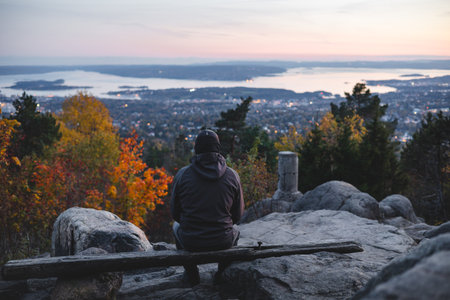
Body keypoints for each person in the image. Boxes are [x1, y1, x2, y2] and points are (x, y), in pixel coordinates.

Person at [170, 129, 244, 286]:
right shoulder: (232, 175)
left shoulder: (183, 175)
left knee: (175, 226)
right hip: (223, 240)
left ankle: (191, 274)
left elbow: (175, 214)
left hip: (191, 241)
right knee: (236, 230)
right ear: (217, 148)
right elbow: (238, 215)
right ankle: (222, 272)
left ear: (197, 149)